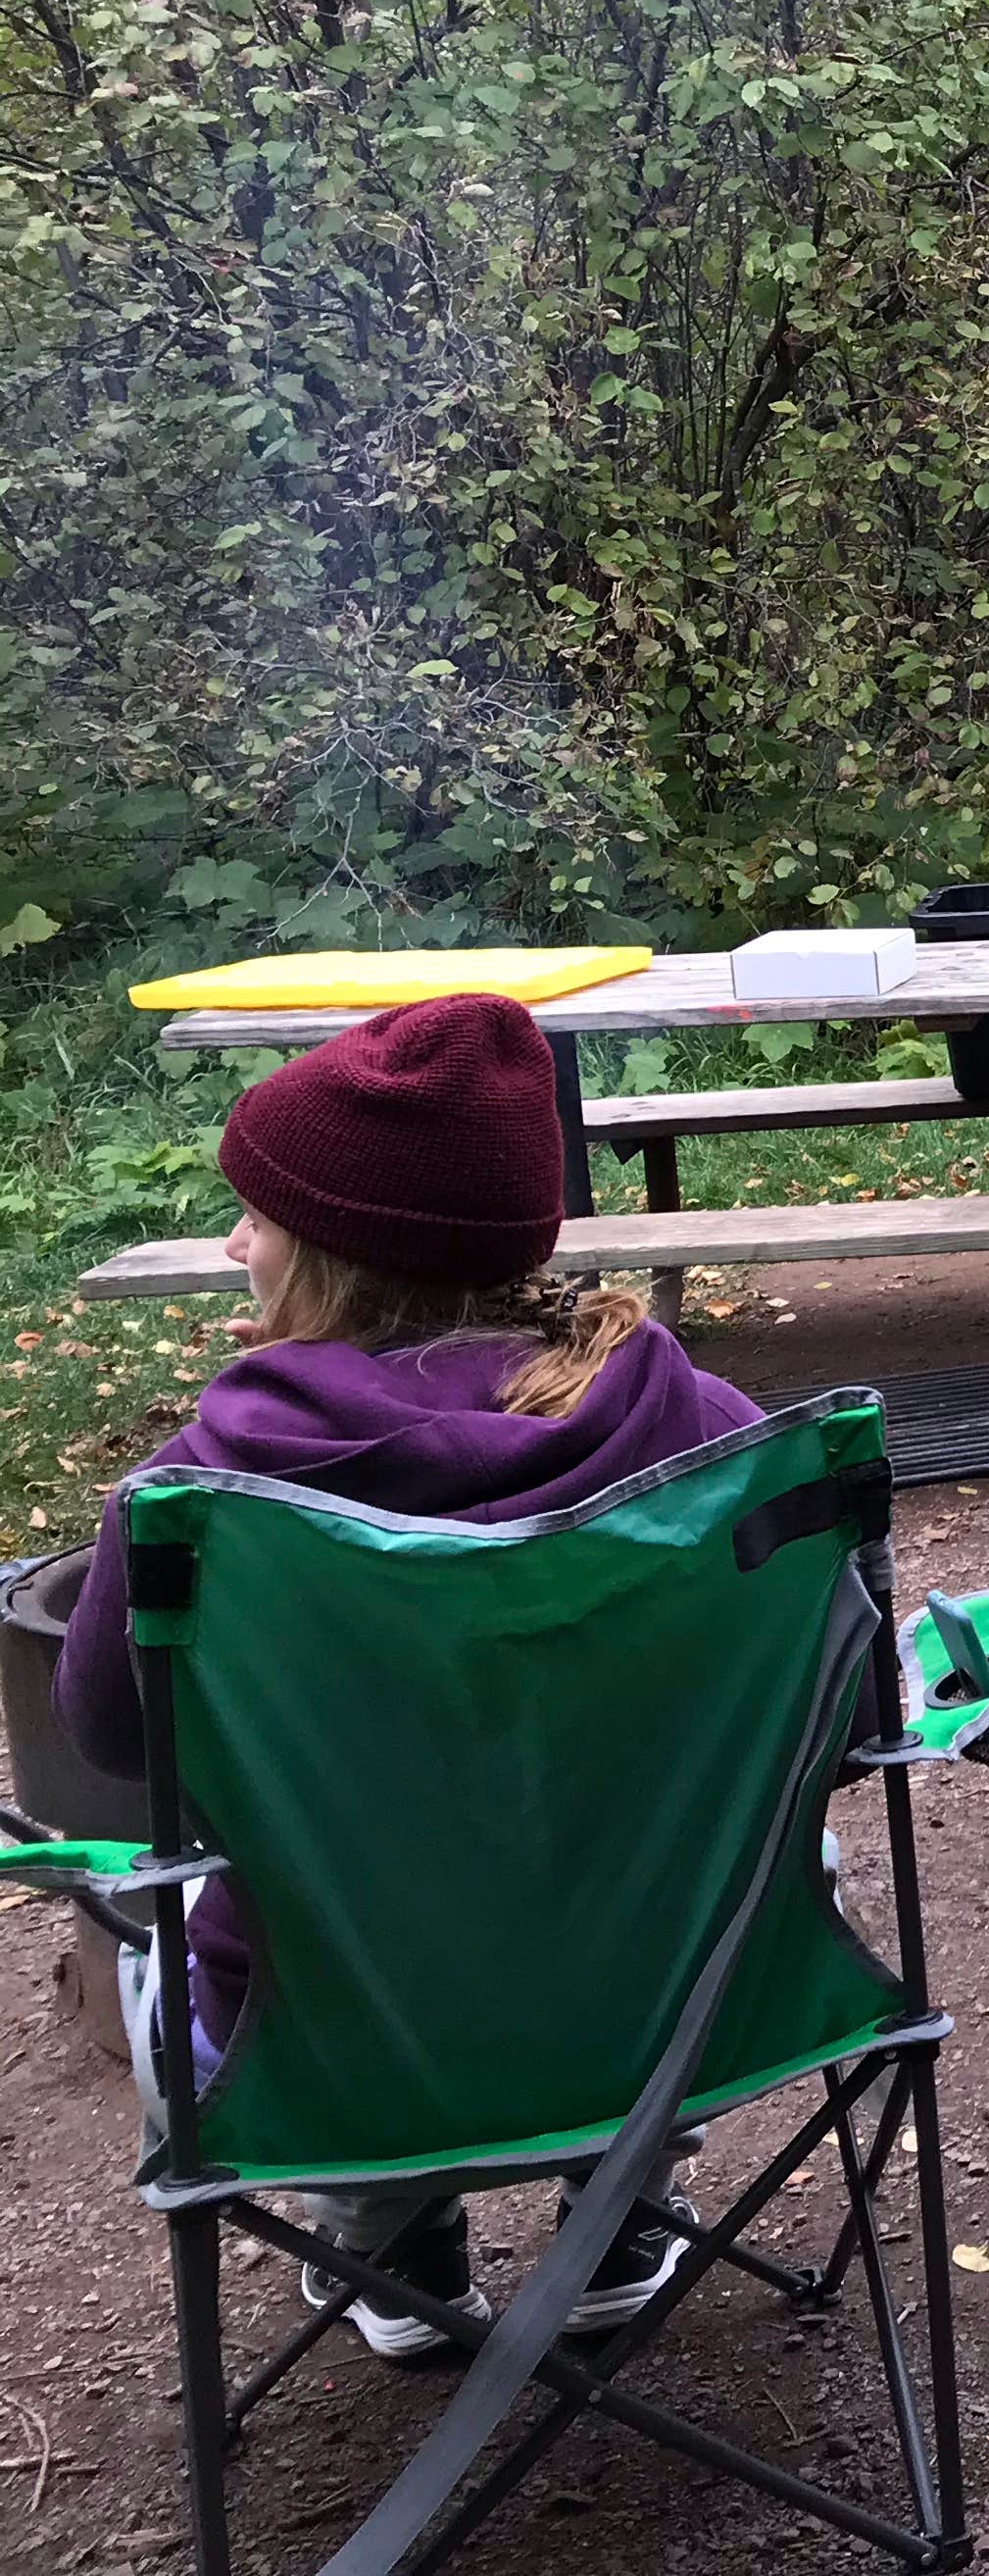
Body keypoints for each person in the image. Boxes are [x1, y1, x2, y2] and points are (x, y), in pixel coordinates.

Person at [58, 992, 768, 2361]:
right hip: (692, 1994)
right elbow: (838, 1710)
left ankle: (387, 2242)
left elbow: (106, 1734)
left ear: (330, 1255)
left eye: (256, 1215)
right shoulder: (706, 1428)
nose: (232, 1239)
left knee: (226, 1907)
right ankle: (621, 2206)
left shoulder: (203, 1490)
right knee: (721, 1851)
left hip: (338, 2031)